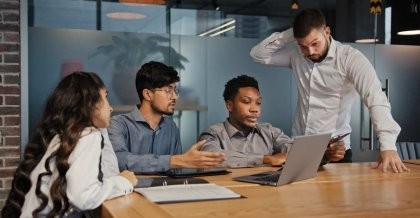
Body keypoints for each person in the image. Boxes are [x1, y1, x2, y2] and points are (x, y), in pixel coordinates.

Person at [250, 9, 408, 172]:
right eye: (303, 46)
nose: (310, 52)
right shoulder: (297, 55)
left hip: (335, 153)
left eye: (314, 43)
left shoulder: (350, 58)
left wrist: (388, 146)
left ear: (327, 31)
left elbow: (375, 98)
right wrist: (294, 33)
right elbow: (258, 55)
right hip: (300, 151)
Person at [1, 72, 137, 217]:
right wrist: (124, 182)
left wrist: (102, 128)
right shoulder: (88, 135)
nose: (111, 108)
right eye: (106, 97)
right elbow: (83, 197)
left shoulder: (61, 136)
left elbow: (108, 173)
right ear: (90, 104)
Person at [108, 61, 225, 173]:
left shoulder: (171, 127)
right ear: (147, 94)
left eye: (175, 90)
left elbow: (176, 171)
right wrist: (175, 160)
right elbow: (119, 160)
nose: (175, 97)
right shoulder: (118, 124)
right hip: (130, 192)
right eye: (168, 90)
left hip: (166, 191)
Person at [199, 75, 292, 168]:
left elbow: (295, 150)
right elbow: (210, 157)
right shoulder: (212, 134)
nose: (255, 109)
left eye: (258, 103)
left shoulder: (269, 131)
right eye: (246, 102)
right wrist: (266, 159)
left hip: (265, 183)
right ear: (229, 106)